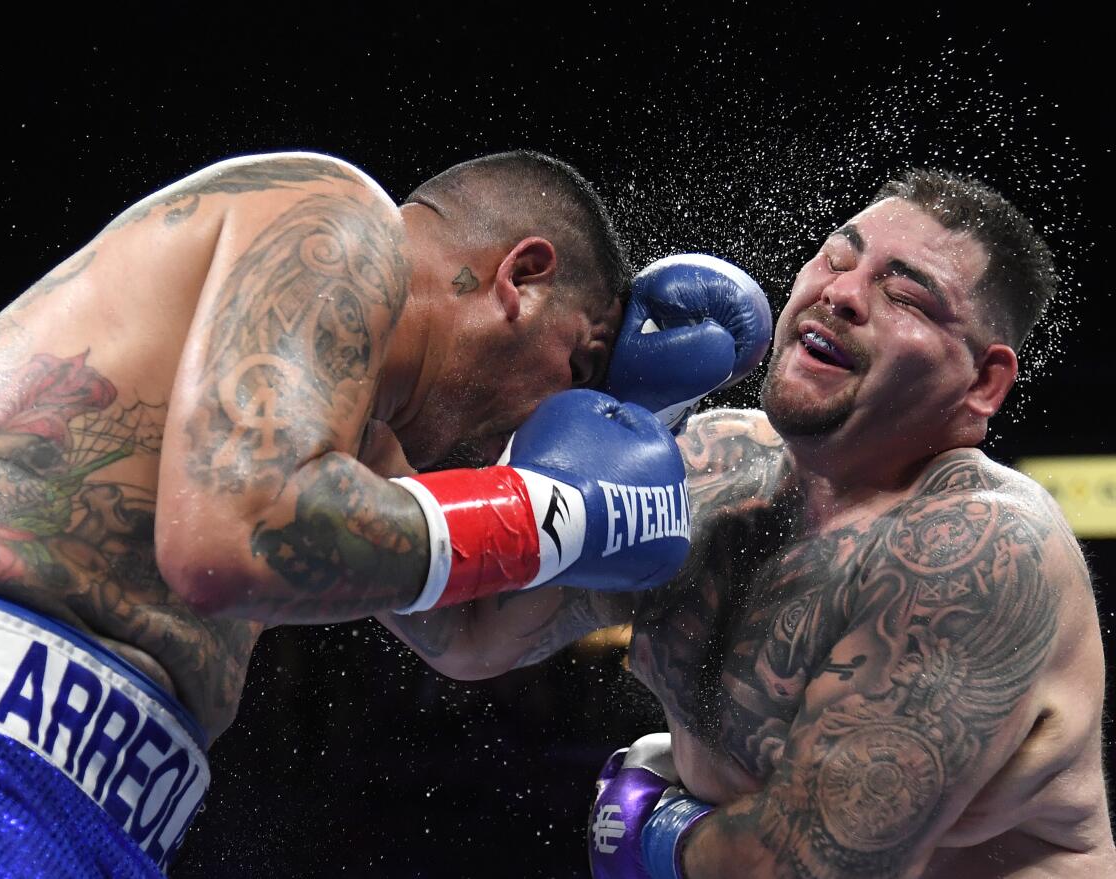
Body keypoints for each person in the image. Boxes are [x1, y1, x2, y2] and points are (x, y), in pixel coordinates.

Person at [0, 147, 772, 876]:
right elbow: (234, 533)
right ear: (523, 277)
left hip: (87, 808)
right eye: (575, 373)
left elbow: (470, 634)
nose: (542, 428)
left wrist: (637, 433)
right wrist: (551, 512)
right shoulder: (331, 217)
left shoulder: (349, 444)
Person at [385, 169, 1116, 878]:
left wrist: (649, 828)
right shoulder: (708, 465)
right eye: (837, 257)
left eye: (906, 296)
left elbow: (802, 866)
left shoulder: (975, 549)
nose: (844, 294)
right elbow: (472, 633)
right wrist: (357, 421)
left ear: (983, 382)